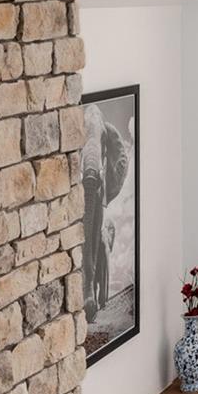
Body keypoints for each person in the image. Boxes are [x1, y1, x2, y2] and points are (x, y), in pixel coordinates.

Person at [81, 103, 129, 323]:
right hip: (88, 186)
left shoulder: (108, 152)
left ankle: (96, 296)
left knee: (94, 246)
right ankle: (89, 295)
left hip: (95, 189)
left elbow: (119, 161)